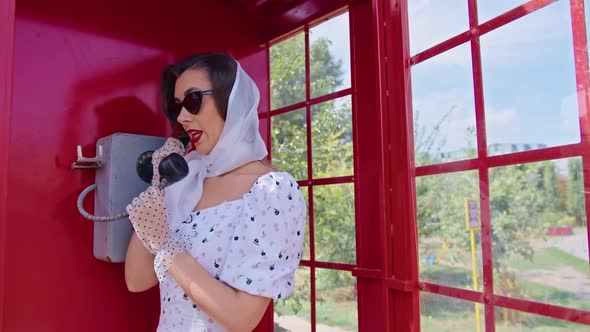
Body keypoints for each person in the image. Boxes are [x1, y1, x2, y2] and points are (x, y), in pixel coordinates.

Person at [124, 53, 307, 332]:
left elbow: (241, 318)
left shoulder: (272, 191)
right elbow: (137, 280)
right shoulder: (189, 180)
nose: (183, 117)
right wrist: (160, 184)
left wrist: (166, 246)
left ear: (230, 101)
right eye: (178, 107)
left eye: (193, 101)